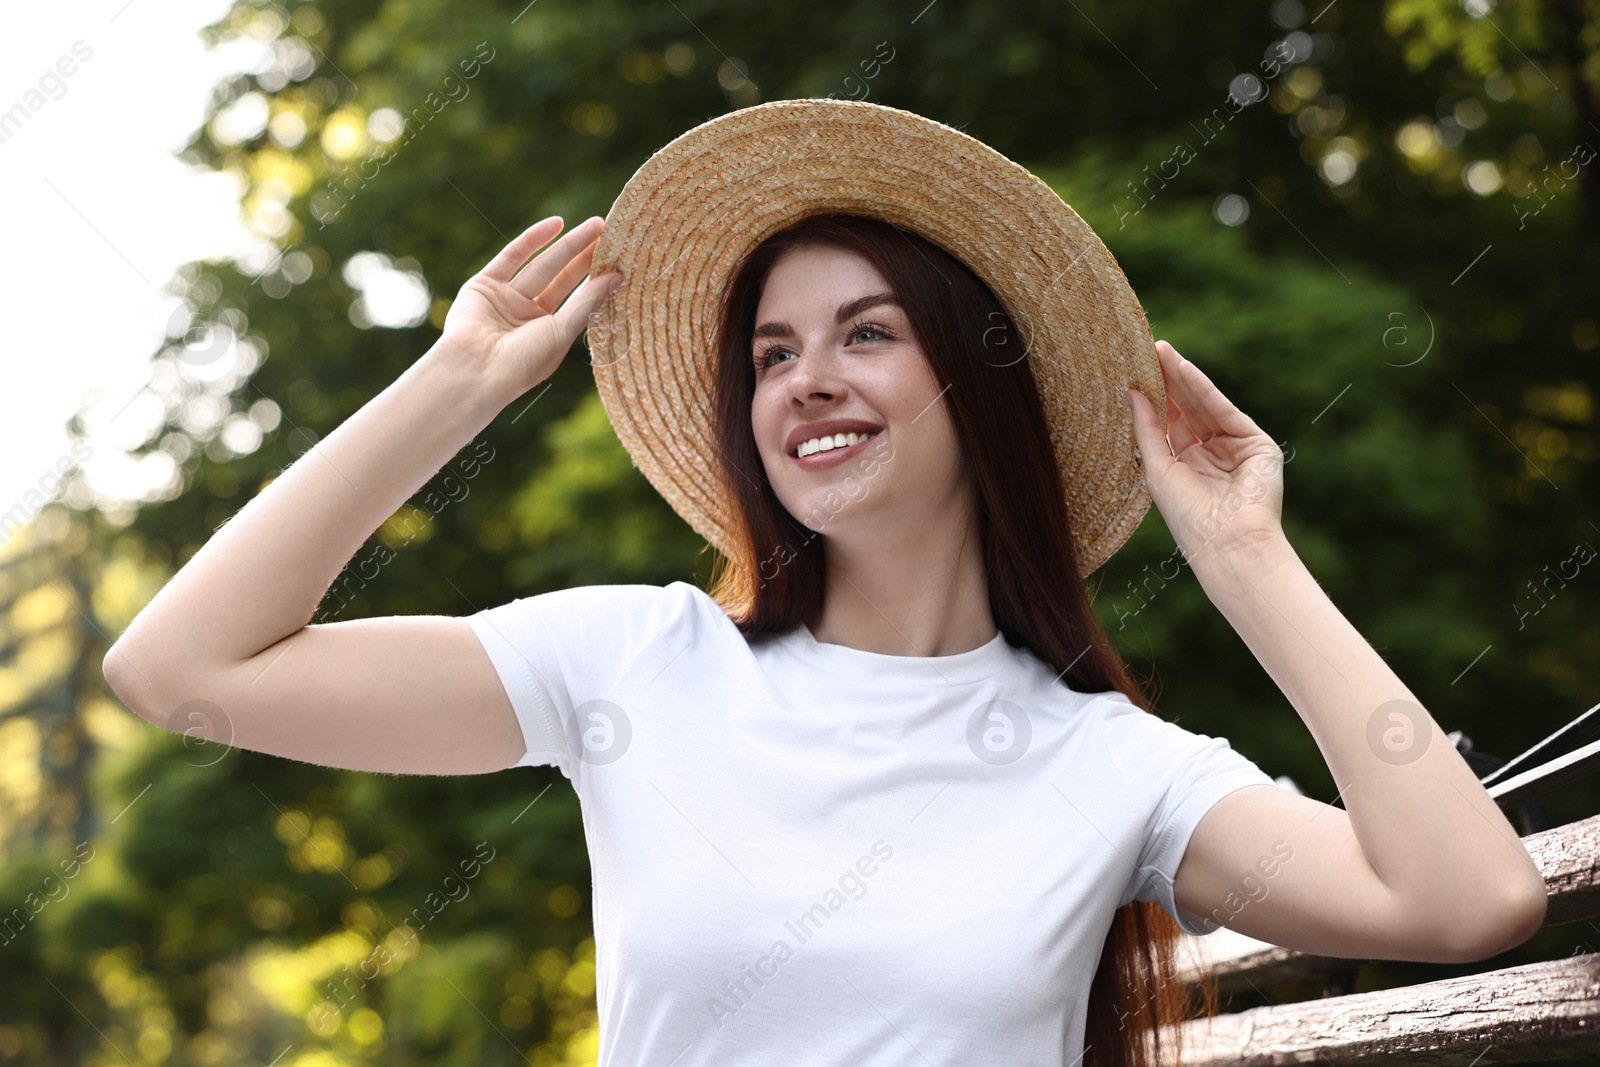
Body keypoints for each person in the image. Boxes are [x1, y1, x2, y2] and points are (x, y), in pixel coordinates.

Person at [103, 99, 1547, 1067]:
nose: (805, 382)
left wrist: (1243, 554)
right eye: (770, 353)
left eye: (866, 334)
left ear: (978, 387)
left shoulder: (1114, 767)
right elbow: (183, 674)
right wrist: (454, 386)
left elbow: (1471, 903)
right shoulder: (637, 662)